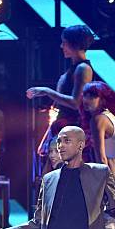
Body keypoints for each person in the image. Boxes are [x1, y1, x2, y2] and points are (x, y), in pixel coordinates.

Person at [28, 25, 95, 162]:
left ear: (74, 44)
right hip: (63, 125)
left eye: (64, 42)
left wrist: (47, 91)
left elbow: (76, 102)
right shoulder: (73, 69)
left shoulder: (83, 69)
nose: (61, 46)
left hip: (73, 128)